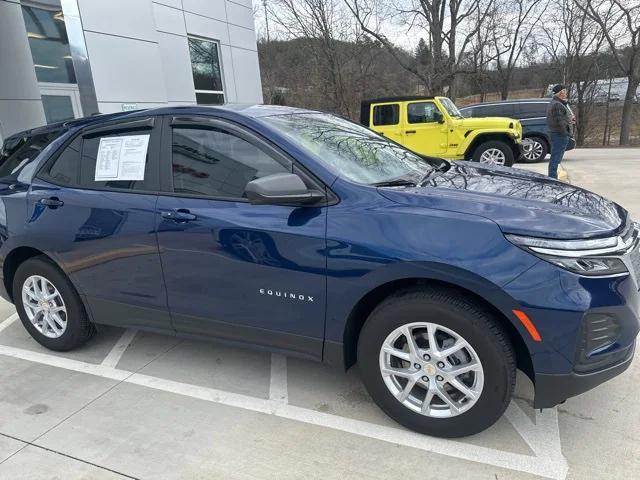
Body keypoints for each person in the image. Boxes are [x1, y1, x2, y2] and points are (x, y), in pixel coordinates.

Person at [546, 84, 574, 179]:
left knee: (555, 158)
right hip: (559, 135)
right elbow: (560, 122)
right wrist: (566, 133)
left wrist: (569, 120)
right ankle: (552, 179)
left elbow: (562, 119)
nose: (566, 93)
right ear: (561, 92)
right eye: (565, 91)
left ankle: (552, 177)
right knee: (555, 159)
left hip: (557, 134)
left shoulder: (556, 103)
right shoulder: (557, 104)